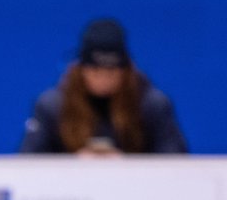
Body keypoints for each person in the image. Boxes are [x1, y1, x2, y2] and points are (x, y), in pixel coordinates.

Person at [21, 18, 187, 154]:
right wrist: (72, 165)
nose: (103, 79)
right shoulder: (52, 105)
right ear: (81, 70)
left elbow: (175, 162)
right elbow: (28, 163)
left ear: (125, 71)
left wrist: (128, 166)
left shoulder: (152, 104)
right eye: (95, 71)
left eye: (111, 72)